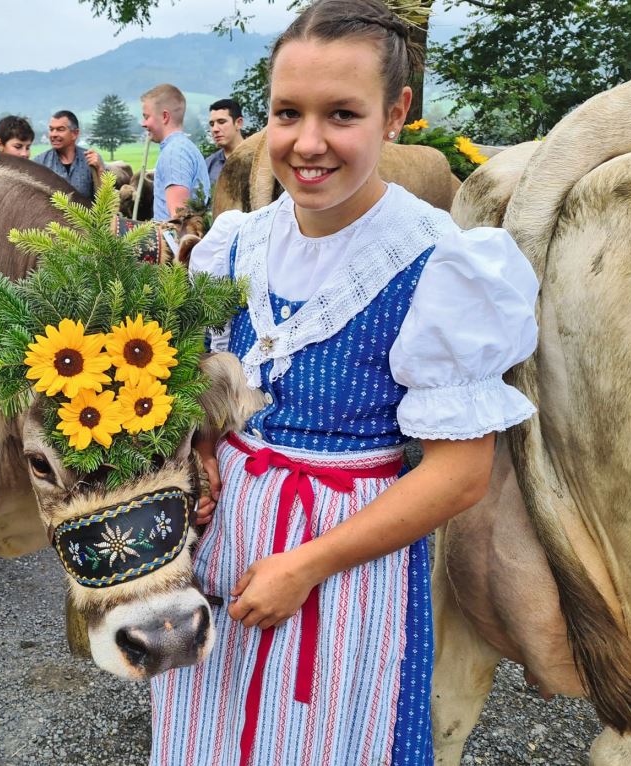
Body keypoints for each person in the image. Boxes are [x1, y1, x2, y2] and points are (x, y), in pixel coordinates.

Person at [150, 2, 539, 765]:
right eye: (288, 113)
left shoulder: (436, 263)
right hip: (219, 548)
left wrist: (305, 565)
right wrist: (197, 449)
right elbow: (204, 384)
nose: (309, 141)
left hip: (345, 573)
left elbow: (459, 477)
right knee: (209, 736)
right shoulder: (236, 245)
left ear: (395, 114)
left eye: (342, 113)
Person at [140, 84, 210, 220]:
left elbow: (179, 220)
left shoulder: (174, 154)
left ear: (165, 116)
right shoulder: (185, 147)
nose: (143, 123)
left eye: (147, 117)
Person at [34, 110, 104, 201]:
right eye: (51, 129)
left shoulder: (91, 160)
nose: (54, 134)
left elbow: (105, 202)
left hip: (85, 215)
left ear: (75, 133)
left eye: (60, 129)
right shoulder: (39, 163)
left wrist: (100, 170)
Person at [206, 98, 246, 188]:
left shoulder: (259, 158)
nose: (215, 129)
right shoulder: (209, 165)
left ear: (239, 123)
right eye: (212, 124)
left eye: (221, 122)